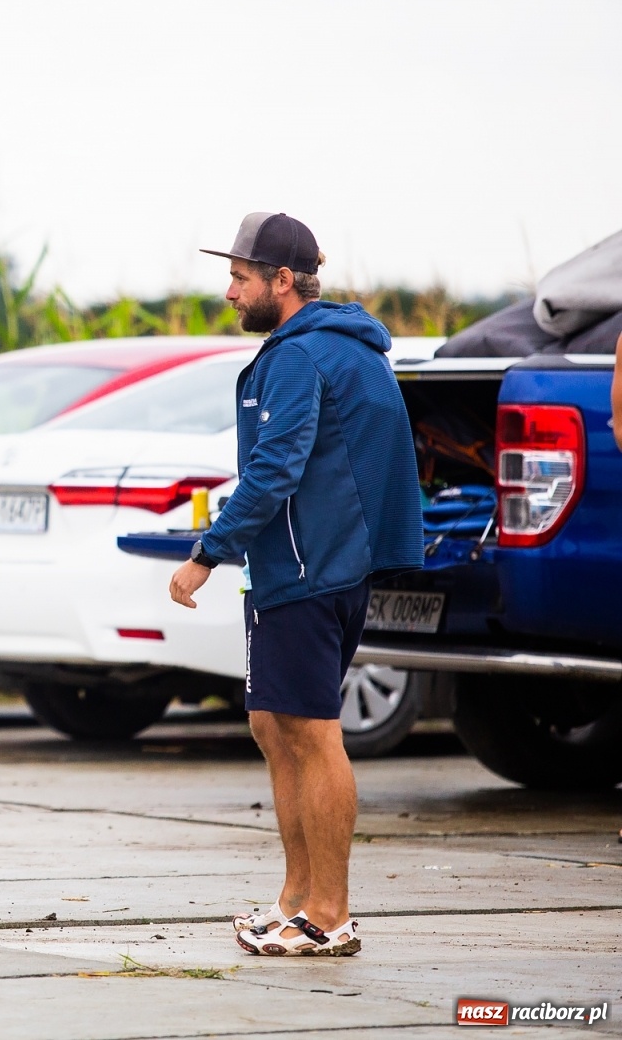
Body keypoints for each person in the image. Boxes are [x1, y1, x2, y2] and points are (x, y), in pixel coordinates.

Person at [172, 213, 422, 956]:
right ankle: (296, 900)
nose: (229, 292)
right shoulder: (344, 347)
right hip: (307, 567)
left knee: (310, 734)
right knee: (272, 726)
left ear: (282, 281)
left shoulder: (301, 355)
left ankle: (329, 916)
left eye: (240, 277)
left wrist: (208, 552)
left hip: (309, 570)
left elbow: (276, 469)